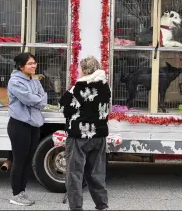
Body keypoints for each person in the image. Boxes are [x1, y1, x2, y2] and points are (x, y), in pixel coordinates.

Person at [59, 56, 111, 211]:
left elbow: (63, 108)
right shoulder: (104, 86)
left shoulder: (79, 88)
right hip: (99, 136)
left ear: (85, 70)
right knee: (96, 173)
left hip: (79, 137)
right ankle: (102, 206)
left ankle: (76, 208)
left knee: (74, 174)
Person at [7, 52, 47, 206]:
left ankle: (22, 192)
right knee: (19, 160)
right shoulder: (15, 81)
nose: (34, 66)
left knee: (27, 160)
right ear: (20, 66)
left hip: (34, 125)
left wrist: (37, 99)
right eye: (30, 63)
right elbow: (29, 99)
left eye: (34, 63)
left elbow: (43, 97)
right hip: (19, 125)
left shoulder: (35, 81)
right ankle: (16, 194)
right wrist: (37, 99)